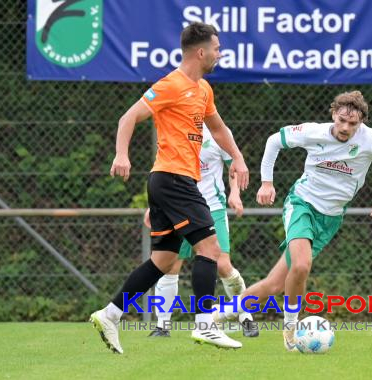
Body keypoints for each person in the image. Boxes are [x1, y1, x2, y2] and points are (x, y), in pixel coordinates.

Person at [90, 22, 249, 354]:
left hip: (169, 183)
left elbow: (219, 130)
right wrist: (122, 153)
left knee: (162, 261)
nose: (220, 54)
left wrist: (238, 158)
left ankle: (110, 314)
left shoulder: (203, 90)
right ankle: (205, 324)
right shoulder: (171, 85)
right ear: (200, 51)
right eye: (217, 49)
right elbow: (127, 117)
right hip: (173, 179)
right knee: (210, 250)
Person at [213, 90, 372, 351]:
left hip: (331, 218)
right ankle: (291, 329)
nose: (346, 128)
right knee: (302, 266)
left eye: (353, 123)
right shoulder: (313, 132)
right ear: (333, 115)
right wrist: (267, 183)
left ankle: (215, 317)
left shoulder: (371, 140)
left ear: (361, 122)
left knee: (275, 284)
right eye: (341, 120)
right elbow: (274, 141)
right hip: (302, 204)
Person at [145, 124, 258, 338]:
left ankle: (246, 317)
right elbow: (163, 172)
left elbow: (233, 165)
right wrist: (154, 206)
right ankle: (162, 326)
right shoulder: (174, 128)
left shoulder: (219, 131)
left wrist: (235, 194)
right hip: (178, 208)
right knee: (170, 264)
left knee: (223, 264)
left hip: (211, 207)